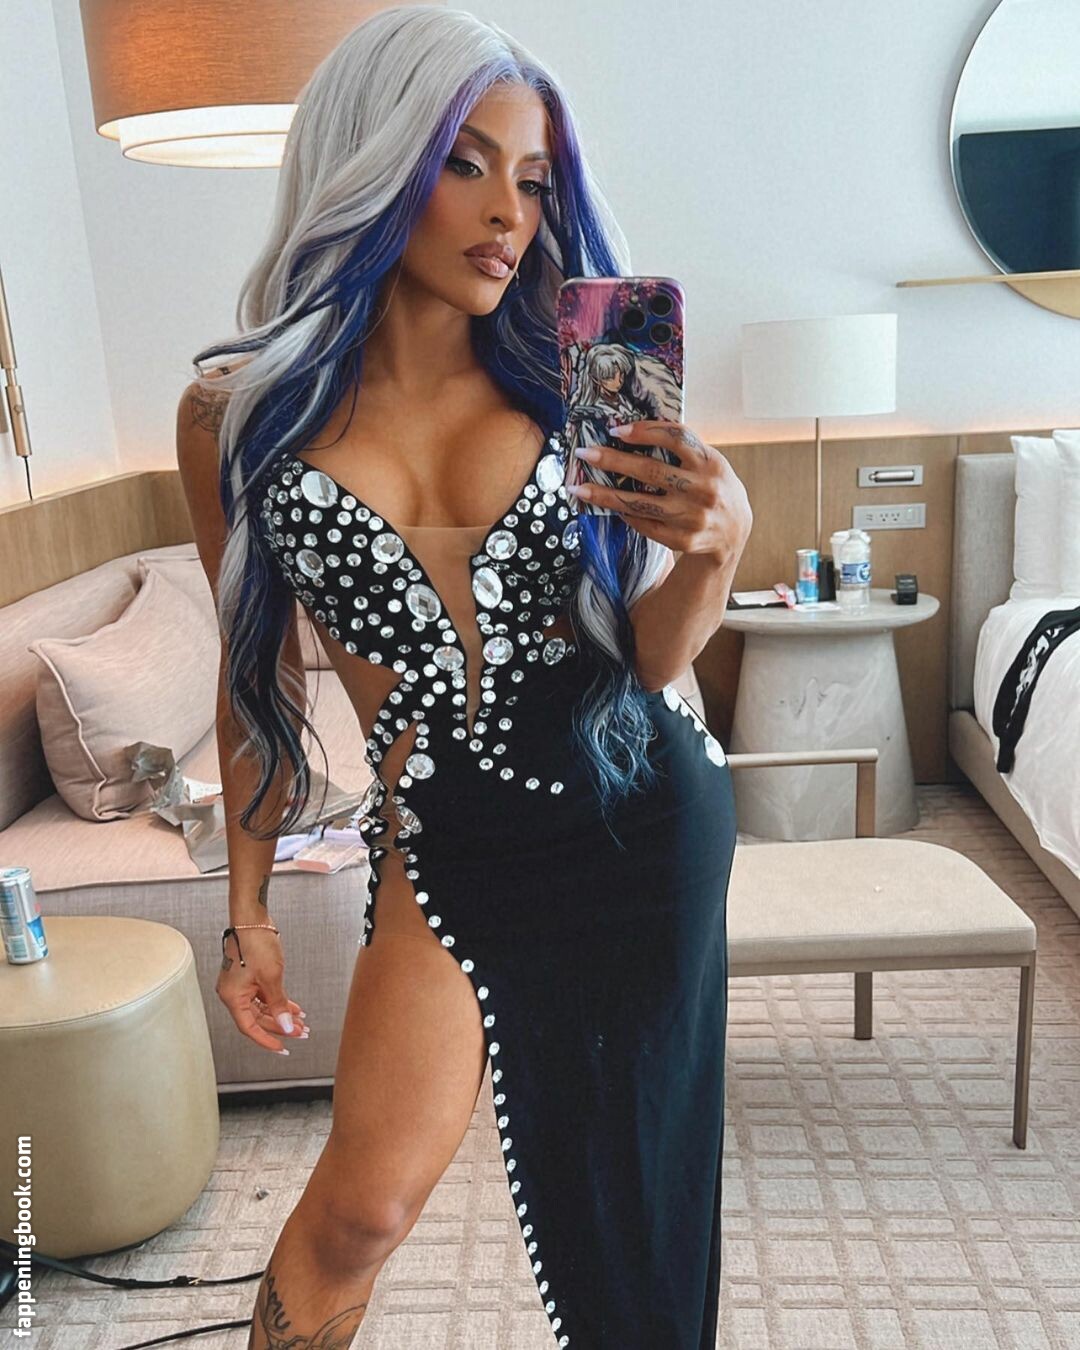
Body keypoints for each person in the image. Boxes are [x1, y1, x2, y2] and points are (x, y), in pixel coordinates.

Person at [175, 7, 752, 1347]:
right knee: (358, 1212)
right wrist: (245, 907)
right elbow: (252, 673)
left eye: (534, 180)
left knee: (630, 1219)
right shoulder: (237, 416)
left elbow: (648, 663)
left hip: (632, 821)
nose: (509, 213)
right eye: (468, 163)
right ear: (374, 160)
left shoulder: (581, 383)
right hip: (441, 846)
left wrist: (718, 553)